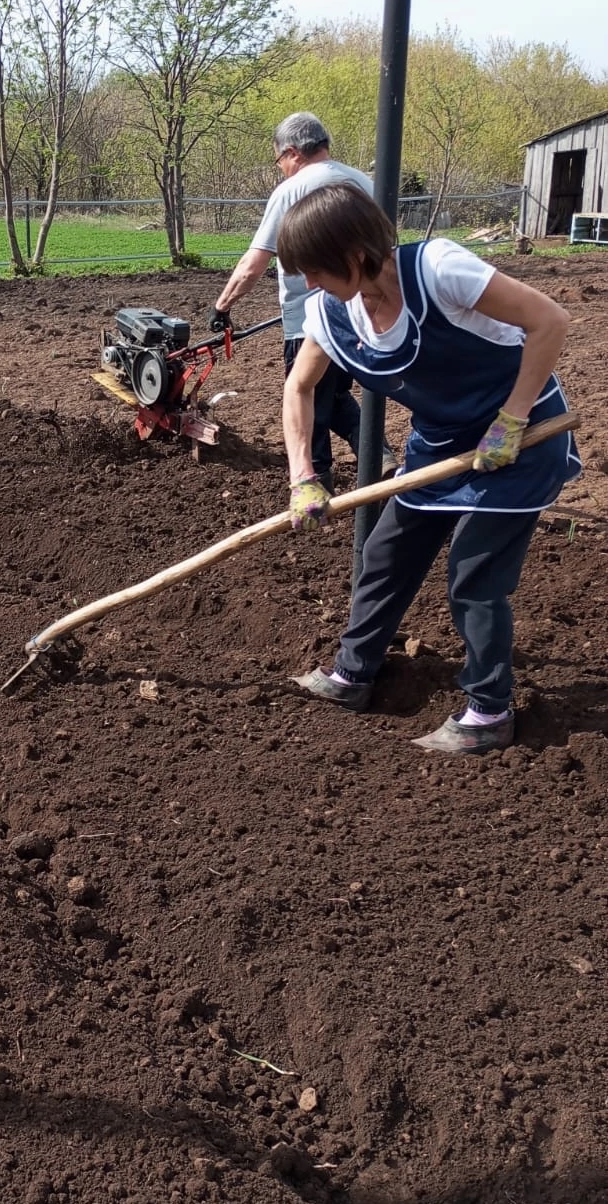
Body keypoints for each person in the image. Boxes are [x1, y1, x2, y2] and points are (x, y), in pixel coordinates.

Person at [279, 181, 580, 755]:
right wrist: (303, 477)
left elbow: (551, 321)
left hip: (519, 438)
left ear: (353, 256)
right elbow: (300, 388)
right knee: (387, 552)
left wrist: (512, 419)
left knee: (474, 575)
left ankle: (490, 711)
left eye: (315, 270)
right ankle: (352, 674)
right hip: (441, 444)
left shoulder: (439, 270)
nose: (309, 285)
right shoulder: (332, 313)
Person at [211, 111, 394, 491]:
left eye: (280, 162)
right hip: (365, 312)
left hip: (309, 319)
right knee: (336, 391)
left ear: (292, 152)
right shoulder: (365, 182)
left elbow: (255, 262)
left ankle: (316, 485)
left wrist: (223, 306)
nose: (282, 170)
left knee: (306, 393)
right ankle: (379, 456)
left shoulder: (292, 190)